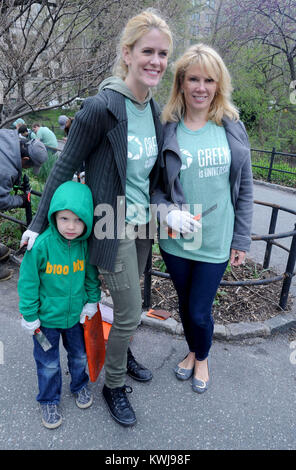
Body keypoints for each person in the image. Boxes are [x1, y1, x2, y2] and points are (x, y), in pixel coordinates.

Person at [20, 9, 173, 427]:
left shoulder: (155, 109)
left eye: (162, 53)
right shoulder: (102, 107)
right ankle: (114, 384)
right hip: (110, 224)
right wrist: (36, 225)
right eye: (147, 51)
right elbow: (63, 164)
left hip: (143, 225)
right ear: (127, 53)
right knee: (128, 311)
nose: (156, 61)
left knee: (131, 307)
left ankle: (122, 352)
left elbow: (151, 174)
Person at [152, 43, 253, 394]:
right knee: (184, 304)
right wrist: (168, 214)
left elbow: (245, 189)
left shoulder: (231, 126)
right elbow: (155, 189)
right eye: (193, 78)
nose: (201, 87)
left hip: (215, 240)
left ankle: (203, 356)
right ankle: (193, 350)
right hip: (177, 240)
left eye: (208, 80)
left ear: (218, 84)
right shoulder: (167, 127)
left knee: (198, 310)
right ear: (180, 82)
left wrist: (241, 239)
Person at [18, 181, 101, 429]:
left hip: (76, 318)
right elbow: (28, 282)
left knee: (79, 356)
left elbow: (90, 275)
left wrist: (92, 301)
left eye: (78, 220)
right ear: (54, 215)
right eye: (64, 218)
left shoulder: (84, 245)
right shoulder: (41, 245)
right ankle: (49, 399)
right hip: (45, 322)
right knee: (48, 363)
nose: (71, 226)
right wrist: (30, 315)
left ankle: (79, 385)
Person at [0, 129, 48, 281]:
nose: (28, 170)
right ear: (25, 158)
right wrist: (21, 200)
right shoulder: (5, 171)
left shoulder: (7, 135)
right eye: (29, 166)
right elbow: (1, 201)